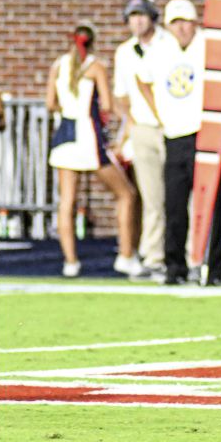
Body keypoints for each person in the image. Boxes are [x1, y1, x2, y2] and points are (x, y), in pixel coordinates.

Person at [136, 0, 221, 286]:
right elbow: (142, 79)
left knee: (211, 204)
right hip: (174, 133)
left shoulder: (207, 45)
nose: (181, 28)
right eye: (175, 22)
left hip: (206, 132)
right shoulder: (160, 49)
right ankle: (174, 267)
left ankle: (212, 268)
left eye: (185, 21)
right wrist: (159, 112)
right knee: (174, 205)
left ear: (194, 22)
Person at [46, 23, 142, 279]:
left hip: (65, 134)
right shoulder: (96, 66)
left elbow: (50, 103)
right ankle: (125, 255)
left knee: (67, 202)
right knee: (126, 194)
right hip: (87, 136)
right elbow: (108, 104)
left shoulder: (58, 65)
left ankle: (71, 262)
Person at [112, 0, 166, 275]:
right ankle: (154, 256)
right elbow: (121, 94)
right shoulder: (124, 52)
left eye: (142, 15)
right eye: (132, 16)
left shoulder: (168, 44)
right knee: (151, 195)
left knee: (180, 193)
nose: (137, 21)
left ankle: (185, 252)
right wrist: (131, 124)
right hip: (143, 127)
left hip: (173, 126)